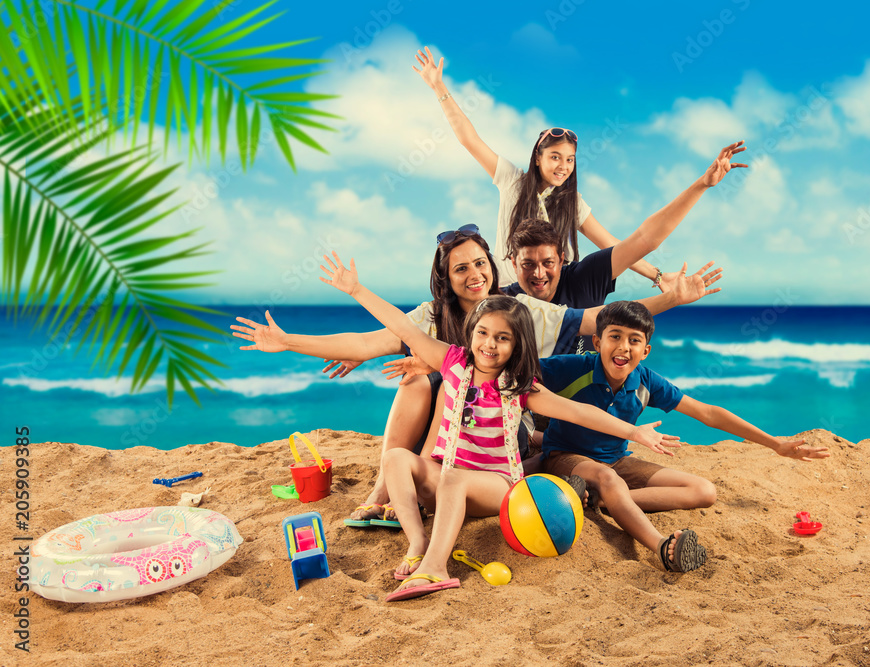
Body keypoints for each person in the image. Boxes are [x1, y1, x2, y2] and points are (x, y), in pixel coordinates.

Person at [231, 229, 721, 524]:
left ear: (492, 266)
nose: (473, 274)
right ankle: (384, 490)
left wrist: (670, 298)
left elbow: (600, 322)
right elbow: (369, 341)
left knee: (438, 377)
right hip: (443, 436)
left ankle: (418, 495)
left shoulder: (519, 311)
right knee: (419, 380)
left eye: (480, 263)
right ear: (447, 275)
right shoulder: (432, 316)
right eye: (460, 267)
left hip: (500, 431)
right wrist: (290, 341)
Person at [317, 256, 709, 600]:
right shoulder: (453, 361)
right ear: (471, 334)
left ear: (517, 345)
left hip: (496, 486)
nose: (490, 344)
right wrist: (356, 289)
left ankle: (436, 569)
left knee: (454, 478)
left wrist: (634, 432)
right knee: (397, 458)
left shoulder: (519, 387)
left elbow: (579, 413)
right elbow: (404, 328)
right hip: (447, 480)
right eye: (483, 334)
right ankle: (418, 542)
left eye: (503, 338)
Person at [413, 46, 747, 289]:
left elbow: (614, 245)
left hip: (557, 296)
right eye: (555, 157)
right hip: (508, 297)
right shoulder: (512, 181)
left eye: (570, 160)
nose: (563, 167)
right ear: (538, 158)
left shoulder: (572, 203)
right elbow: (468, 138)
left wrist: (658, 276)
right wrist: (438, 87)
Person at [538, 301, 831, 569]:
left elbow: (708, 413)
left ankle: (602, 502)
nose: (623, 347)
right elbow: (522, 371)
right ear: (597, 341)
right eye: (614, 336)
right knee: (607, 479)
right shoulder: (571, 368)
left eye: (634, 340)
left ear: (646, 350)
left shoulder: (646, 382)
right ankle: (661, 546)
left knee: (704, 491)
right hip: (566, 457)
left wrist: (775, 444)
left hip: (616, 461)